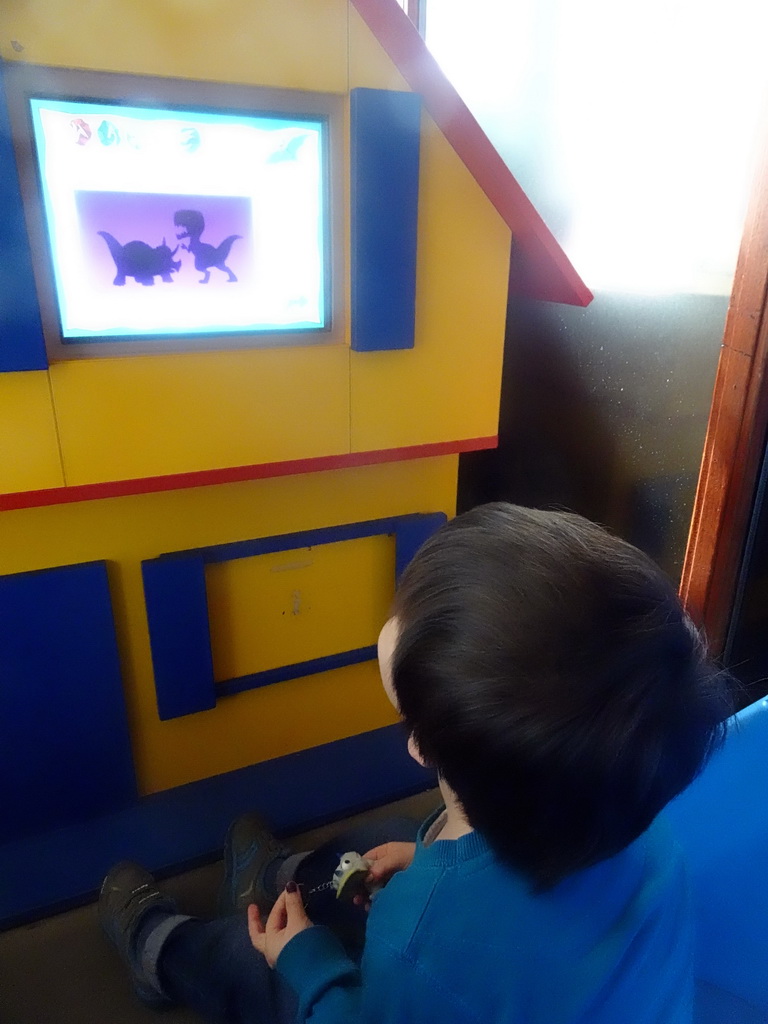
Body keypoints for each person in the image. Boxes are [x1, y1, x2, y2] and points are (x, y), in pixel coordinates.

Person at [100, 502, 733, 1023]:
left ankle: (162, 949)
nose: (409, 745)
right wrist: (431, 860)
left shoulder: (414, 939)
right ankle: (280, 877)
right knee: (398, 839)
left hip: (400, 981)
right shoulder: (640, 816)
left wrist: (308, 961)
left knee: (252, 954)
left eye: (412, 725)